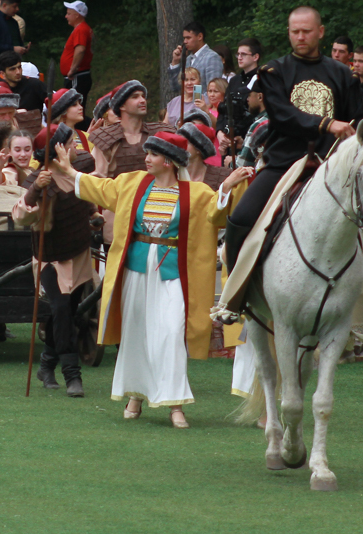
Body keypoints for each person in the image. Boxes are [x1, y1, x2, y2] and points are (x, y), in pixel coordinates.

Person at [50, 131, 246, 428]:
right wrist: (68, 170)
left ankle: (175, 403)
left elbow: (217, 216)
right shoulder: (132, 183)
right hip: (136, 271)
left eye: (153, 154)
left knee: (170, 332)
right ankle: (135, 396)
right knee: (136, 331)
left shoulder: (196, 192)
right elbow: (99, 188)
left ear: (168, 161)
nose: (146, 158)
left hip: (173, 274)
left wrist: (227, 187)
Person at [222, 7, 363, 267]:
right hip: (283, 163)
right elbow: (283, 115)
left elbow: (358, 121)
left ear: (320, 32)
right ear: (288, 33)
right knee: (240, 218)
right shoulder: (274, 72)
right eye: (295, 31)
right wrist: (328, 123)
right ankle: (234, 296)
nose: (300, 37)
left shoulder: (344, 75)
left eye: (306, 31)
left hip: (332, 165)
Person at [13, 125, 98, 397]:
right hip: (51, 261)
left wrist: (93, 218)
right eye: (71, 143)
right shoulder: (40, 179)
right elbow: (20, 216)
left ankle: (47, 364)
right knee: (61, 309)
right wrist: (35, 190)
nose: (76, 147)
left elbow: (89, 203)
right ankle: (72, 376)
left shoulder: (76, 175)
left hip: (79, 254)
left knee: (68, 313)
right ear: (58, 148)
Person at [179, 122, 242, 190]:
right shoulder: (173, 173)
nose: (179, 146)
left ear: (198, 148)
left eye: (185, 142)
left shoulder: (223, 175)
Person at [168, 21, 223, 89]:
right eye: (184, 38)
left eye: (188, 38)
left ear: (200, 36)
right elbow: (175, 87)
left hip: (202, 99)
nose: (185, 41)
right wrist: (175, 62)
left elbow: (214, 89)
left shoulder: (212, 57)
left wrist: (198, 99)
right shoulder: (187, 59)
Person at [60, 0, 93, 101]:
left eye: (69, 13)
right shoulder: (81, 29)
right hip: (77, 76)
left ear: (77, 15)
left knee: (73, 105)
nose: (66, 16)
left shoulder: (80, 30)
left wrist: (72, 70)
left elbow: (80, 50)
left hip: (77, 76)